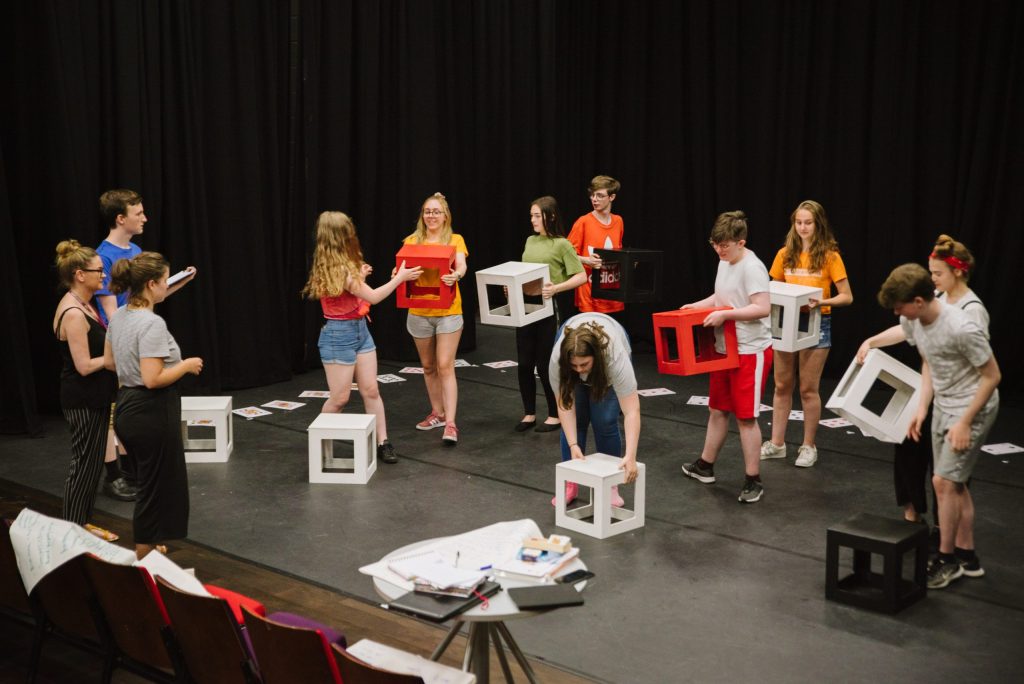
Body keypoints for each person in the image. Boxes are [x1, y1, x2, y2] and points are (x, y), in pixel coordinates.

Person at [865, 263, 999, 589]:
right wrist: (921, 408)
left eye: (901, 306)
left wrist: (966, 421)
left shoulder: (961, 326)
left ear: (920, 301)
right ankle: (968, 558)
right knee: (955, 485)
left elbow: (992, 376)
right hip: (943, 402)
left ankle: (947, 559)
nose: (898, 312)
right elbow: (929, 361)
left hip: (972, 406)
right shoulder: (913, 320)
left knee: (942, 481)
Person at [95, 189, 196, 502]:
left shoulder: (135, 249)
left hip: (138, 332)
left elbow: (145, 298)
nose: (144, 218)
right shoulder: (105, 256)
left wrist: (175, 283)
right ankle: (116, 476)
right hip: (125, 338)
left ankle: (132, 473)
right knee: (120, 411)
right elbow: (115, 313)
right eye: (138, 213)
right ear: (120, 218)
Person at [301, 211, 423, 463]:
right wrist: (400, 278)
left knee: (370, 389)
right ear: (337, 236)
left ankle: (383, 441)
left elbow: (349, 294)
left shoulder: (343, 263)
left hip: (360, 330)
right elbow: (374, 297)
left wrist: (360, 277)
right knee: (339, 398)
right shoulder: (336, 266)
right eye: (347, 230)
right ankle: (319, 440)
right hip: (338, 335)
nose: (351, 234)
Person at [104, 252, 203, 559]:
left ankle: (151, 542)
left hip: (127, 406)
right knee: (152, 485)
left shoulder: (119, 315)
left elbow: (110, 362)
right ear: (151, 284)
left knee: (152, 479)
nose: (165, 286)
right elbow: (153, 378)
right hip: (151, 408)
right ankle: (145, 552)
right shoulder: (152, 323)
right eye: (163, 281)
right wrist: (186, 365)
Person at [681, 211, 773, 503]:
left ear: (741, 242)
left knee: (745, 418)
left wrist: (725, 315)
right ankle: (705, 465)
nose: (719, 250)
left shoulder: (752, 267)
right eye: (715, 244)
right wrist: (696, 306)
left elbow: (762, 307)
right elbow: (722, 299)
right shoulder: (725, 261)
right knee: (718, 409)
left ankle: (753, 480)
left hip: (750, 351)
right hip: (725, 349)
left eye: (725, 245)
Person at [761, 200, 853, 468]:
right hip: (785, 323)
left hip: (816, 323)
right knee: (781, 385)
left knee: (808, 388)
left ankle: (808, 445)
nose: (803, 227)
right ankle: (777, 443)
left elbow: (847, 297)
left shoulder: (830, 257)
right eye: (799, 222)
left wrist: (822, 302)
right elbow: (772, 288)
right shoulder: (784, 254)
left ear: (818, 224)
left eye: (808, 222)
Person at [51, 240, 118, 528]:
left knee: (92, 469)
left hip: (95, 396)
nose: (103, 277)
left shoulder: (83, 304)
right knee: (84, 467)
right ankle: (73, 529)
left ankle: (82, 523)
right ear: (80, 274)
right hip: (83, 399)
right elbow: (84, 365)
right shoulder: (75, 313)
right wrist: (112, 357)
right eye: (99, 272)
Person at [548, 313, 640, 506]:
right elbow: (565, 405)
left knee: (605, 421)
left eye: (584, 364)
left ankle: (610, 485)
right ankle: (570, 483)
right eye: (574, 365)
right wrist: (573, 445)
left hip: (610, 348)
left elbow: (632, 411)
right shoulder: (558, 360)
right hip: (571, 335)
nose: (579, 369)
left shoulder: (614, 357)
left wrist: (630, 455)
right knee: (577, 421)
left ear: (595, 357)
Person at [514, 196, 587, 433]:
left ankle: (555, 414)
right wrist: (512, 285)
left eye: (537, 215)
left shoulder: (562, 244)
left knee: (545, 363)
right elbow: (524, 274)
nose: (533, 220)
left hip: (548, 308)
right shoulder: (529, 241)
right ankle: (529, 413)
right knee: (524, 362)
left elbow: (580, 276)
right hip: (525, 307)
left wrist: (555, 287)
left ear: (551, 216)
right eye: (531, 215)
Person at [403, 193, 468, 446]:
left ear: (445, 216)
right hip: (419, 312)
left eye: (436, 212)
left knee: (445, 365)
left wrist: (457, 276)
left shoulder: (455, 239)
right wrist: (398, 273)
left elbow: (461, 265)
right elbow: (400, 268)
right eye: (427, 211)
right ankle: (437, 413)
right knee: (428, 366)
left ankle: (450, 423)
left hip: (449, 311)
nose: (431, 216)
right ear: (423, 215)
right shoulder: (412, 240)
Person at [567, 175, 624, 322]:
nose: (594, 199)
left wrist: (627, 262)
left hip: (612, 294)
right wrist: (586, 260)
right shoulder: (583, 222)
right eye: (592, 195)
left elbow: (617, 251)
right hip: (589, 296)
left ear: (612, 197)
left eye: (600, 195)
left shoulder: (618, 221)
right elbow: (566, 255)